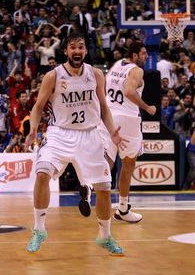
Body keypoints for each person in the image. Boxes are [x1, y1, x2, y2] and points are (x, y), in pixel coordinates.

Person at [25, 32, 126, 254]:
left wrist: (112, 132)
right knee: (42, 174)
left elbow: (104, 107)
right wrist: (33, 128)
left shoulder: (96, 74)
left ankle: (105, 236)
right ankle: (39, 229)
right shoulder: (53, 76)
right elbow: (38, 106)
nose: (77, 51)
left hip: (89, 135)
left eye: (80, 47)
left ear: (86, 51)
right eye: (73, 48)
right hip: (59, 133)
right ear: (66, 51)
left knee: (104, 189)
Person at [80, 42, 156, 223]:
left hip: (107, 116)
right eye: (144, 53)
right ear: (135, 55)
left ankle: (89, 185)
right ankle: (123, 208)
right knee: (128, 163)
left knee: (108, 160)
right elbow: (129, 92)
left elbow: (103, 86)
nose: (146, 56)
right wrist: (147, 107)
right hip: (127, 118)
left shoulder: (116, 65)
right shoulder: (136, 70)